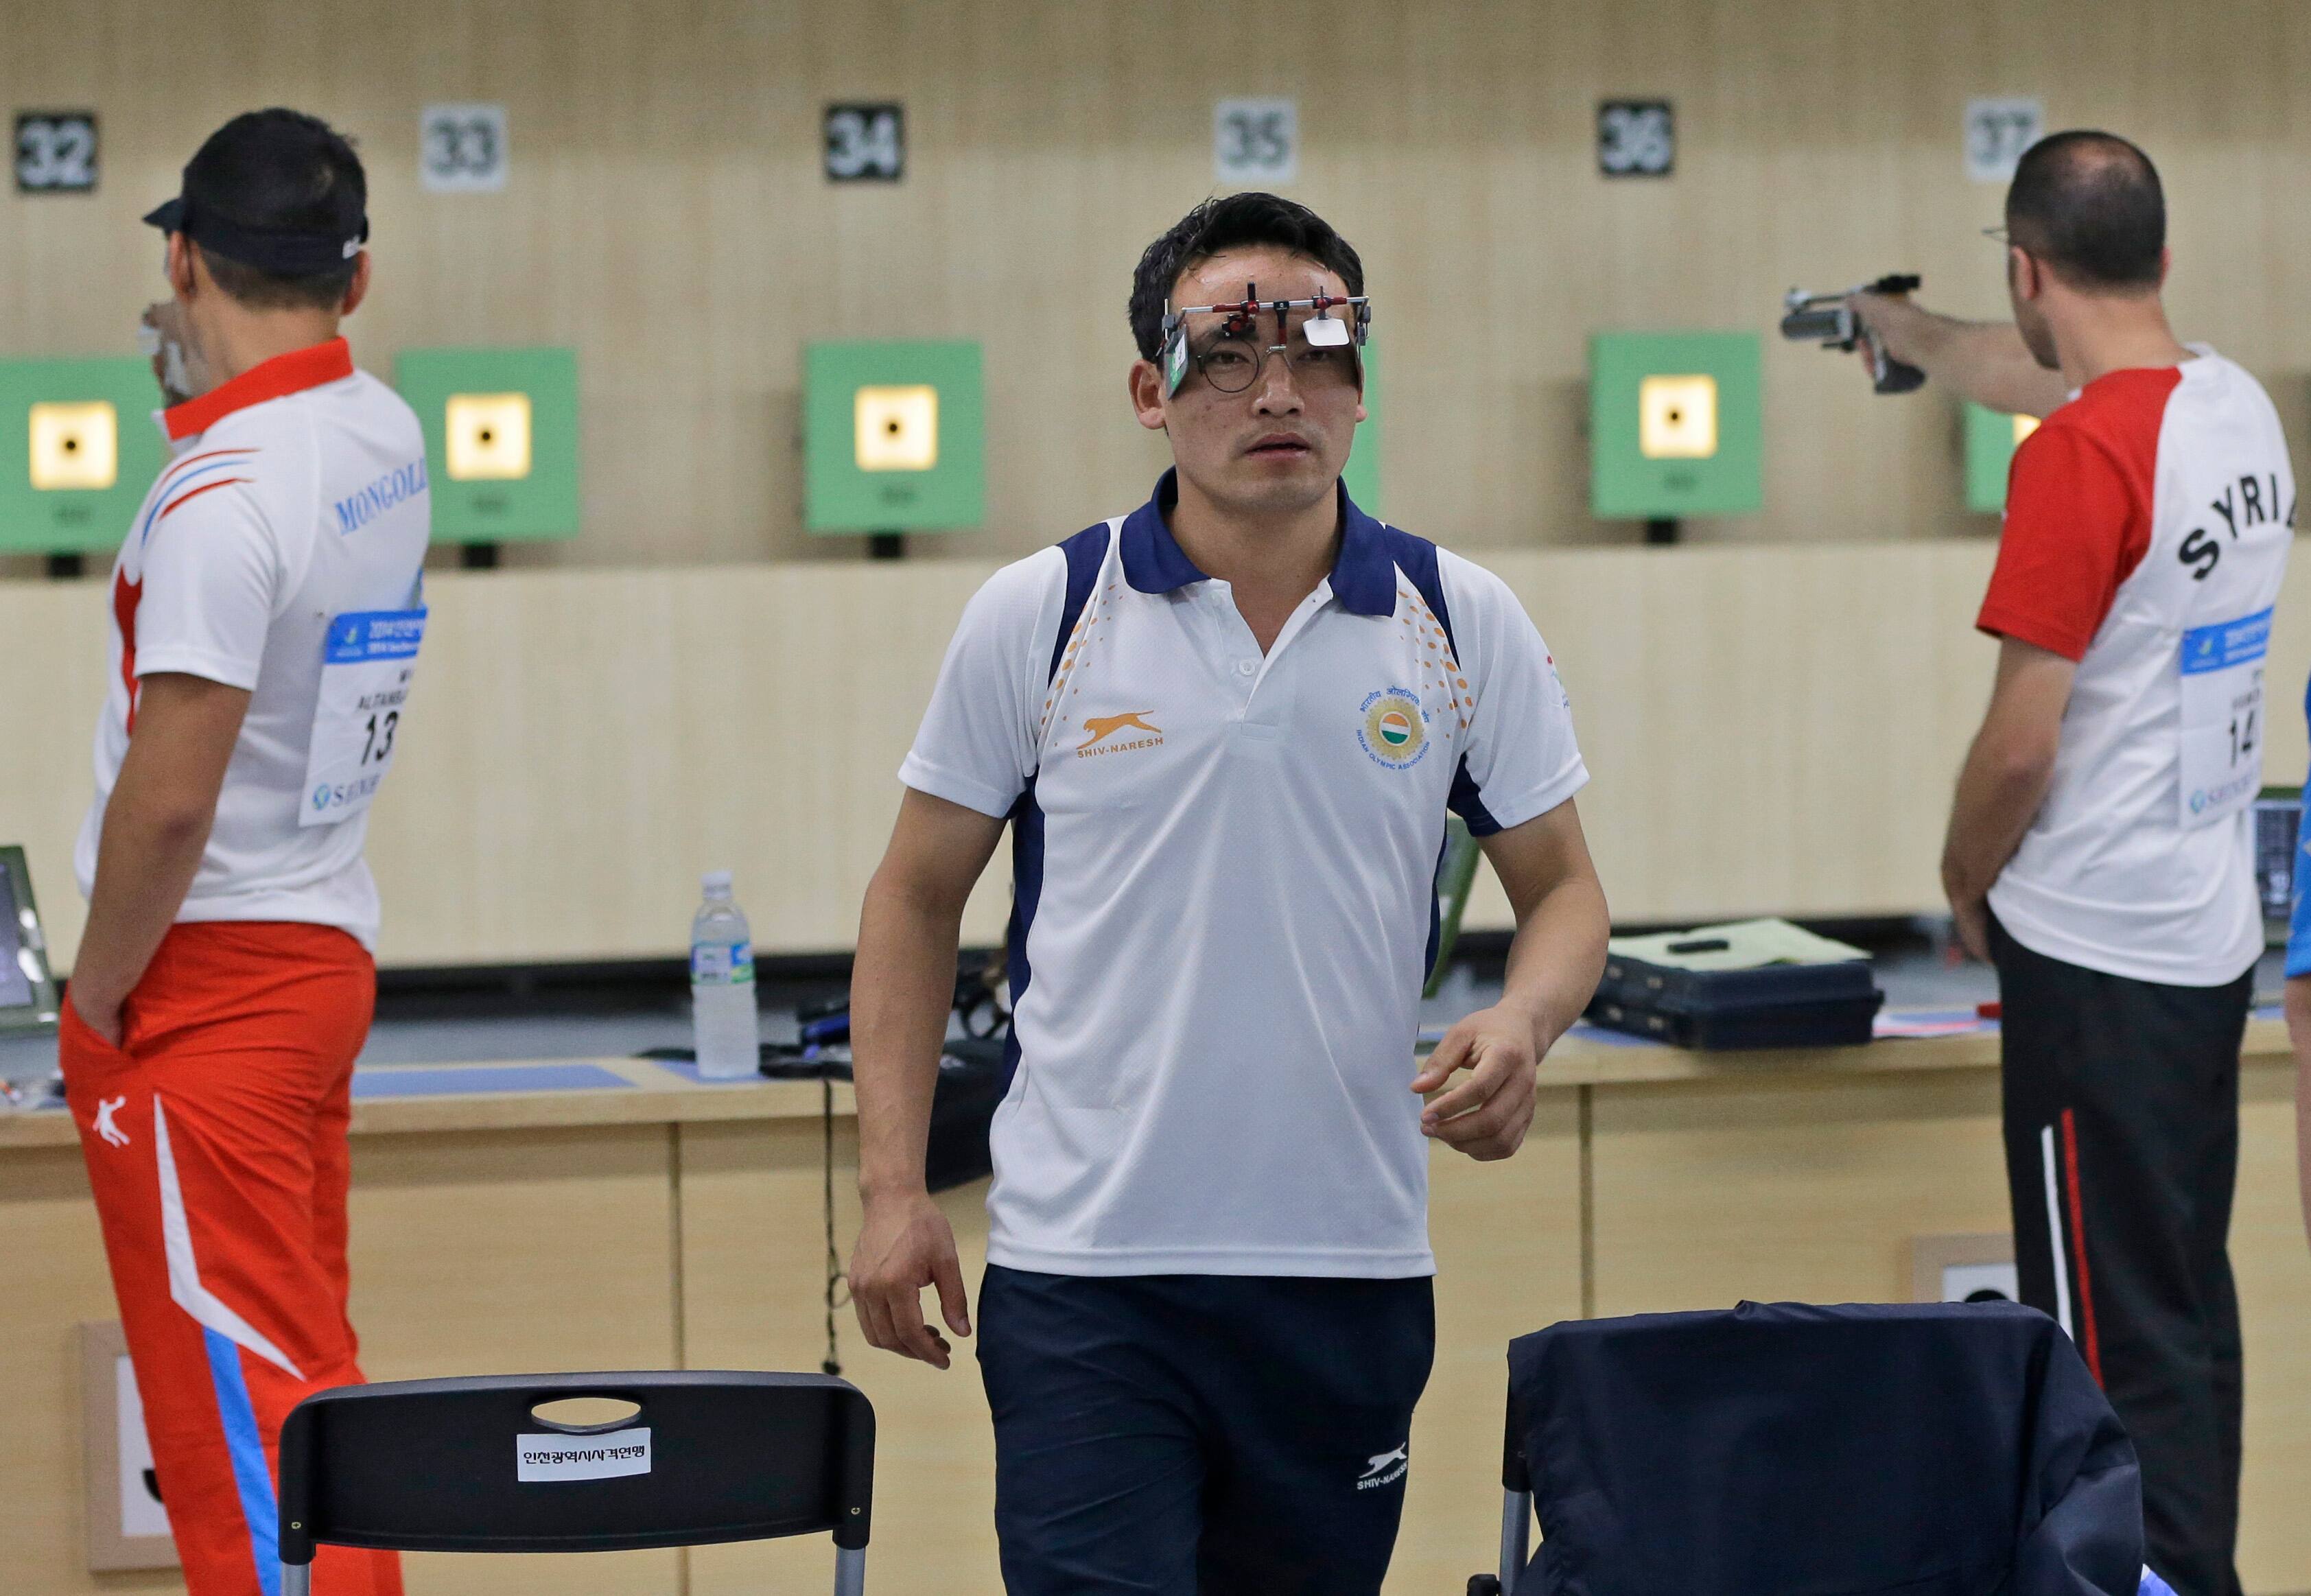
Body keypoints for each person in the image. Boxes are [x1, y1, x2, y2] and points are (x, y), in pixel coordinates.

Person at [844, 191, 1609, 1596]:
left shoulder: (1456, 619)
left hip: (1347, 1272)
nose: (1280, 389)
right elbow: (911, 898)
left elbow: (1563, 890)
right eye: (1230, 349)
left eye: (1322, 349)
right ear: (1151, 387)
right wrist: (894, 1185)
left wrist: (1526, 1018)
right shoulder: (1047, 611)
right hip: (1087, 1274)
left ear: (1361, 387)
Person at [1853, 132, 2292, 1596]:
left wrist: (1959, 872)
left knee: (2099, 1339)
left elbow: (2018, 750)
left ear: (2026, 268)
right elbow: (2047, 371)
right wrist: (1902, 332)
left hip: (2089, 951)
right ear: (2159, 258)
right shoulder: (2231, 413)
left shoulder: (2081, 460)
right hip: (2199, 940)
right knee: (2178, 1309)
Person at [62, 109, 429, 1596]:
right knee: (307, 1389)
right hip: (319, 949)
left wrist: (94, 1004)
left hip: (204, 983)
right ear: (354, 283)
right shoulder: (381, 435)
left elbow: (167, 801)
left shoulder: (224, 496)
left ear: (183, 257)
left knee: (247, 1450)